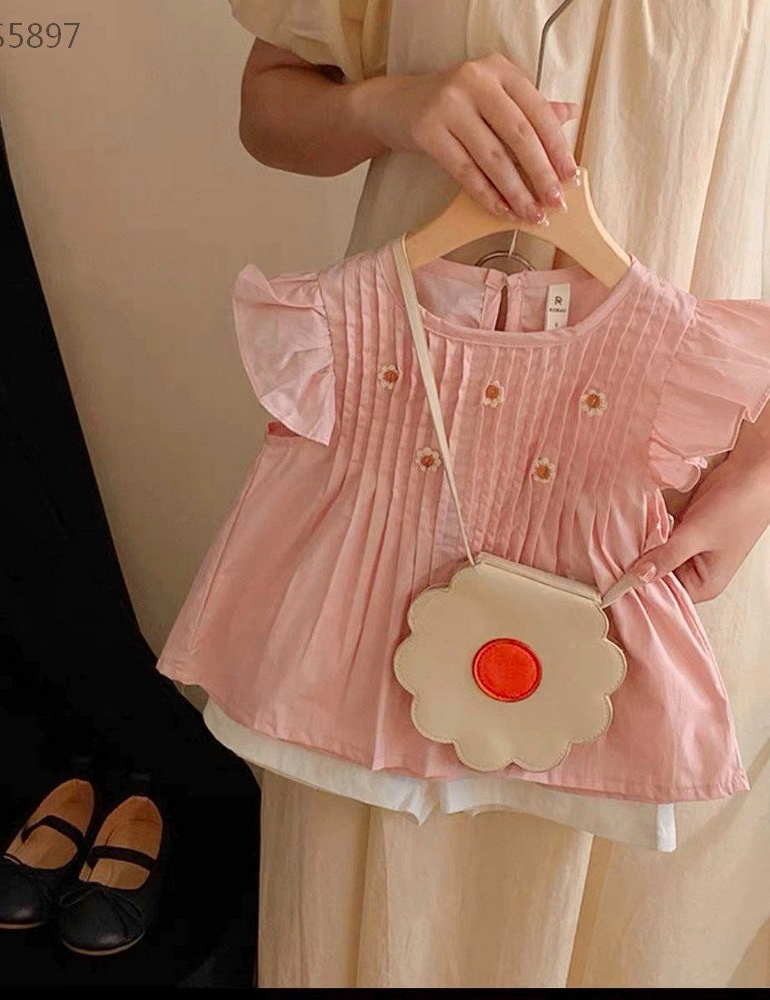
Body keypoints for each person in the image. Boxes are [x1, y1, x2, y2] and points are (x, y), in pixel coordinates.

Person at [226, 0, 770, 988]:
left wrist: (762, 473)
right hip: (395, 450)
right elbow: (269, 106)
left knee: (627, 888)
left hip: (685, 496)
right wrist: (388, 105)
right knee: (370, 848)